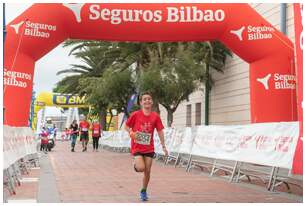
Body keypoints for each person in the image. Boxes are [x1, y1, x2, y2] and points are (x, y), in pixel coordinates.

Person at [125, 91, 168, 201]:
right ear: (141, 102)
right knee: (141, 167)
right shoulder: (135, 114)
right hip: (137, 147)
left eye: (149, 99)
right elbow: (126, 126)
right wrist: (131, 133)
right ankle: (136, 164)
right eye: (145, 99)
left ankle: (143, 190)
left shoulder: (155, 116)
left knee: (147, 171)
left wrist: (163, 146)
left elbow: (160, 131)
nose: (147, 101)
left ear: (152, 102)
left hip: (149, 147)